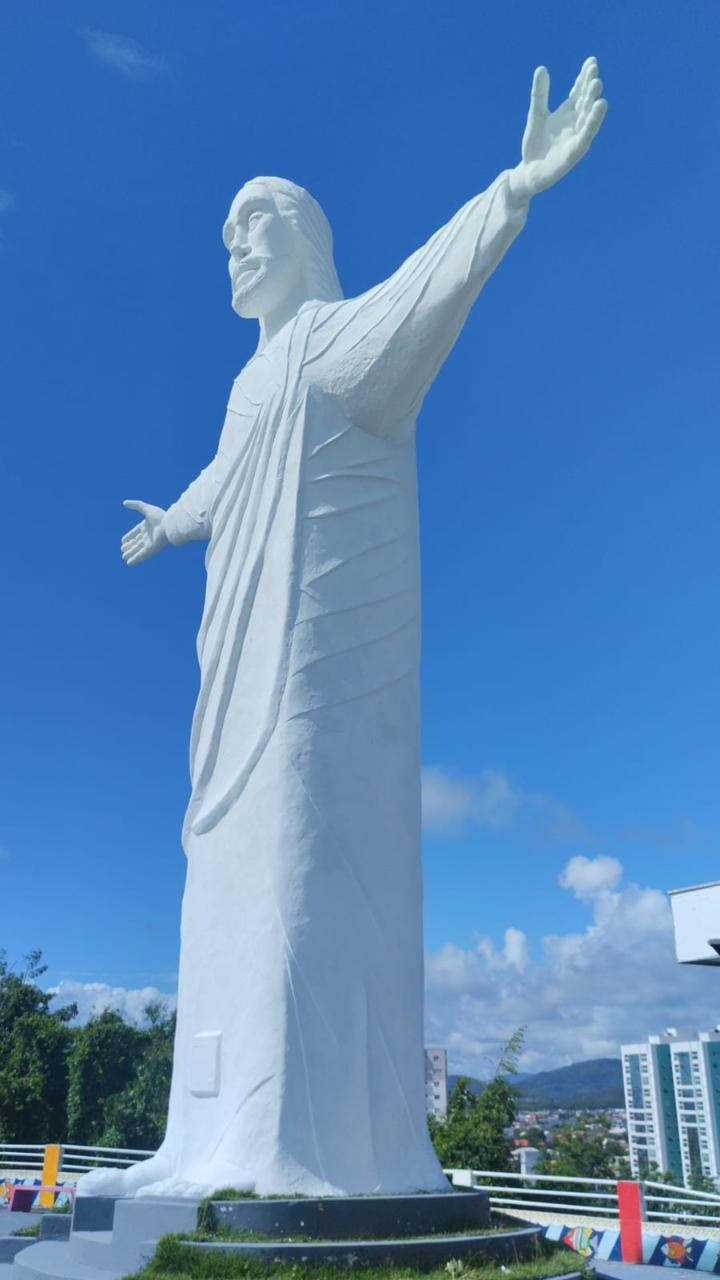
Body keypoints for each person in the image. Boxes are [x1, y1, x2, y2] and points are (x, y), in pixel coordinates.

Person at [80, 58, 606, 1198]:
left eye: (250, 224)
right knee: (220, 882)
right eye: (222, 232)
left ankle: (297, 1148)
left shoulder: (338, 342)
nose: (232, 245)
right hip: (235, 680)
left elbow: (430, 285)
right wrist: (175, 523)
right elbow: (230, 474)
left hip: (316, 668)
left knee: (299, 888)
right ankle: (204, 1144)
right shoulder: (250, 382)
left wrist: (513, 189)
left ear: (304, 237)